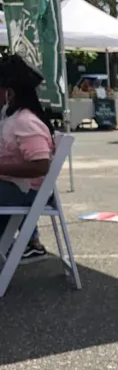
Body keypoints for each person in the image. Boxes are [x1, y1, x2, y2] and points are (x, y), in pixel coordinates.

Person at [0, 55, 54, 261]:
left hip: (25, 191)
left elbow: (40, 165)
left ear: (9, 93)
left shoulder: (25, 121)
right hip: (15, 187)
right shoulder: (12, 117)